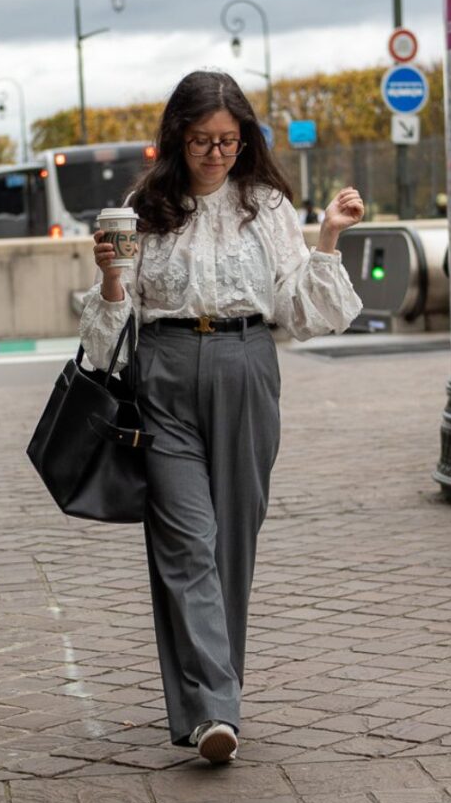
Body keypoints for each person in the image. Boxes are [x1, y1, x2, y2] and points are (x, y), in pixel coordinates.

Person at [80, 68, 364, 767]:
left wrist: (326, 237)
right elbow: (107, 329)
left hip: (246, 366)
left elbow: (298, 307)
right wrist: (113, 275)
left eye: (230, 142)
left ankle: (211, 701)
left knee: (232, 542)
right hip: (165, 374)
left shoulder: (264, 206)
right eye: (204, 141)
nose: (216, 154)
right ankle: (214, 708)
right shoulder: (144, 207)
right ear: (179, 137)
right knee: (186, 541)